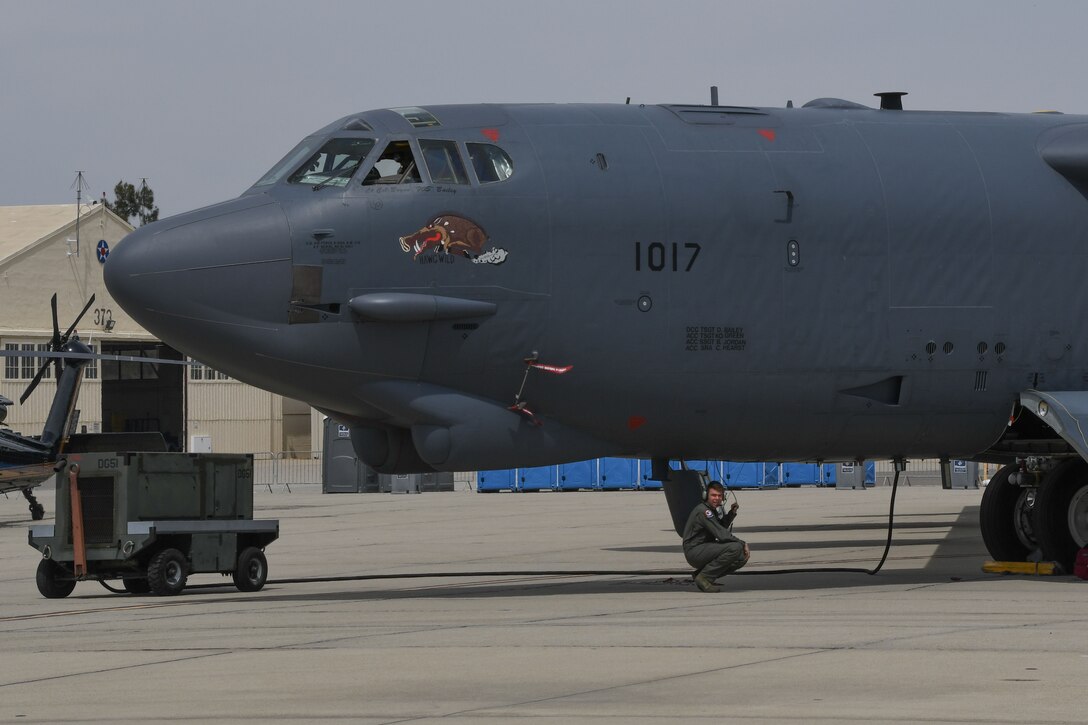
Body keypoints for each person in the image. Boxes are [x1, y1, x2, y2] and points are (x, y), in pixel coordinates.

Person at [682, 480, 749, 592]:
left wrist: (731, 513)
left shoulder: (711, 511)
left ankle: (701, 574)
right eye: (713, 495)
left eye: (719, 496)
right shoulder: (704, 511)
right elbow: (721, 534)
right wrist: (742, 543)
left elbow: (719, 527)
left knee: (741, 557)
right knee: (736, 548)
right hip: (695, 551)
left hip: (703, 548)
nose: (716, 498)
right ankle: (704, 578)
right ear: (706, 495)